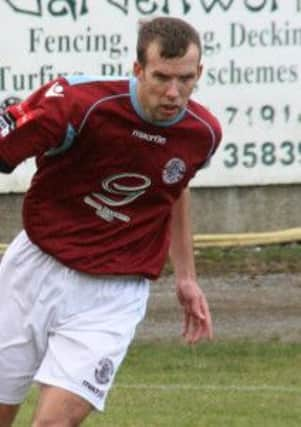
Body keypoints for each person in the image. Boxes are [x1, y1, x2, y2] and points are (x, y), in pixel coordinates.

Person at [0, 16, 222, 426]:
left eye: (185, 79)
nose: (173, 93)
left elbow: (174, 186)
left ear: (199, 73)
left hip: (113, 294)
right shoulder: (78, 104)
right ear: (137, 70)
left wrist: (187, 277)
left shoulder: (202, 133)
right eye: (161, 77)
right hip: (34, 272)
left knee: (54, 423)